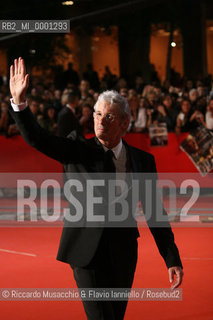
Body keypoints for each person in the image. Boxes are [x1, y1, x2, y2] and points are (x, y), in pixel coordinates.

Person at [9, 58, 183, 320]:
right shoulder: (77, 149)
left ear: (125, 123)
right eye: (97, 114)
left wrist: (171, 258)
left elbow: (155, 213)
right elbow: (38, 138)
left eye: (109, 116)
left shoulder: (142, 161)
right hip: (86, 254)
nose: (100, 121)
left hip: (123, 254)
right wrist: (19, 105)